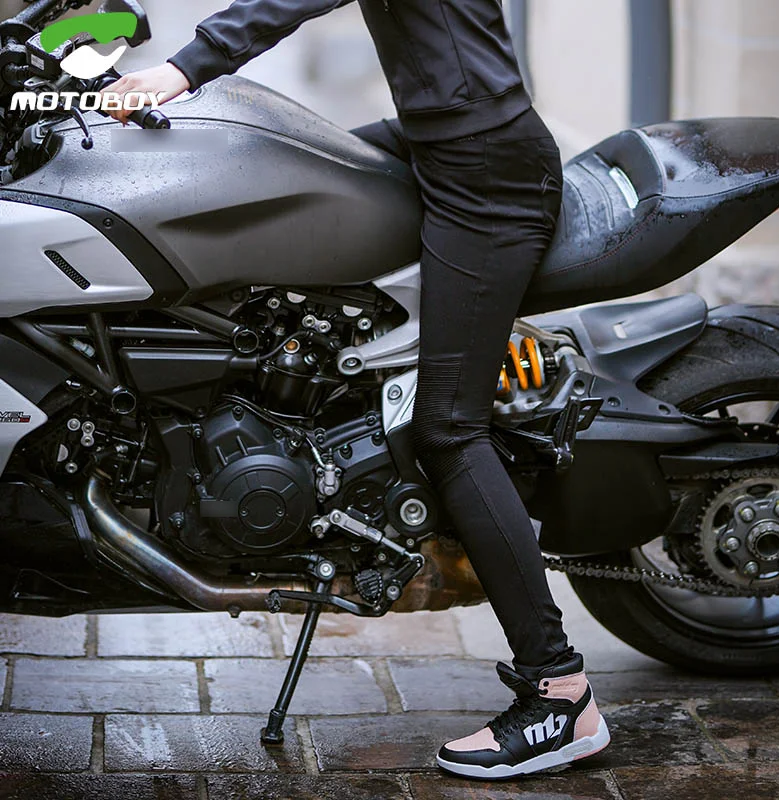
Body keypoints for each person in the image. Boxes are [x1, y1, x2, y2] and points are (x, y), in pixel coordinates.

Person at [105, 0, 610, 779]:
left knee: (450, 429)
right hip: (439, 141)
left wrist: (183, 68)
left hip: (484, 175)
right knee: (247, 183)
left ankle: (560, 693)